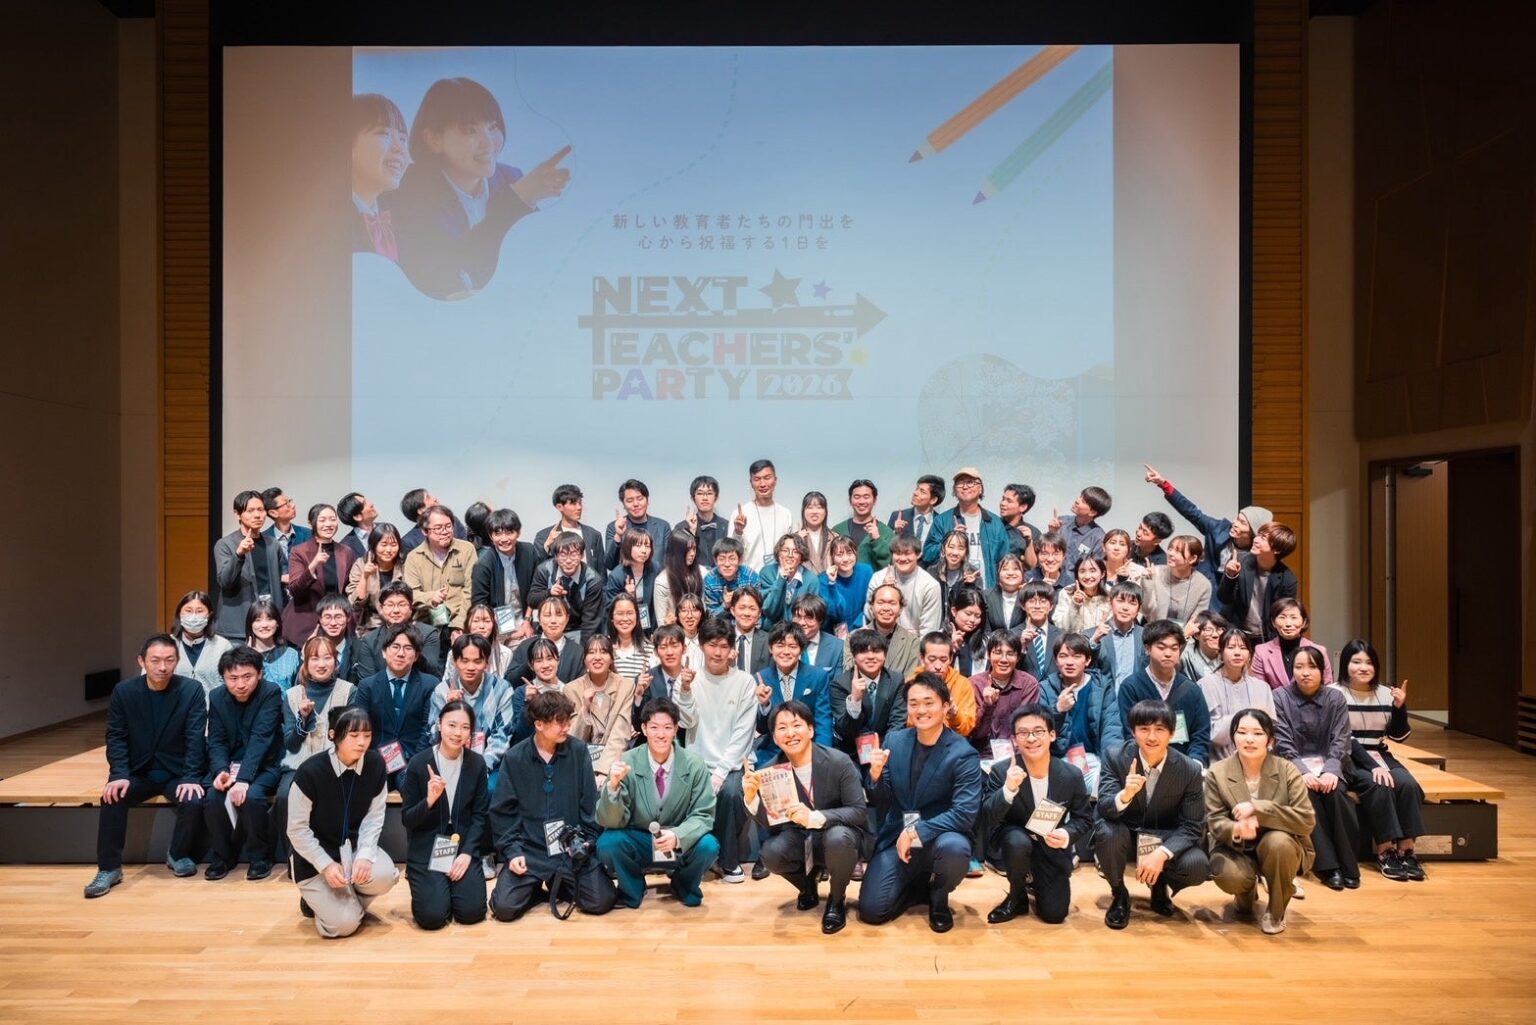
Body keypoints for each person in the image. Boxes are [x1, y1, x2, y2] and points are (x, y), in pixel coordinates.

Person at [388, 76, 570, 299]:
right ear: (434, 139)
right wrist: (516, 201)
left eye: (492, 127)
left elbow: (534, 259)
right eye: (470, 130)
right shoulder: (410, 189)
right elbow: (448, 275)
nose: (489, 142)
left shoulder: (510, 177)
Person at [85, 635, 207, 898]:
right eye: (155, 660)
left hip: (176, 771)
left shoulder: (191, 690)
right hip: (138, 771)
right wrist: (118, 774)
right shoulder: (124, 691)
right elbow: (116, 736)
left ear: (177, 661)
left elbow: (195, 737)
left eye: (169, 660)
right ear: (142, 661)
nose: (163, 667)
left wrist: (191, 776)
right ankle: (109, 868)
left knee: (194, 799)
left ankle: (178, 854)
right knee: (112, 797)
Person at [857, 673, 981, 932]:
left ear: (945, 707)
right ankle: (917, 885)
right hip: (897, 836)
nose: (921, 710)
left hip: (940, 838)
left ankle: (938, 894)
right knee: (872, 911)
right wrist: (875, 777)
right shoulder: (895, 741)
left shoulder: (963, 753)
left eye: (928, 702)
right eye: (913, 704)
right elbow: (883, 800)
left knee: (955, 849)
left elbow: (964, 813)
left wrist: (916, 831)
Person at [488, 690, 618, 921]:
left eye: (568, 720)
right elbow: (503, 812)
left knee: (602, 900)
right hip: (531, 849)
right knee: (504, 908)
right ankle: (538, 889)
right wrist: (513, 852)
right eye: (560, 722)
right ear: (539, 724)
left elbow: (589, 805)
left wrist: (586, 842)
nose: (567, 727)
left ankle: (561, 884)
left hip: (570, 848)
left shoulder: (579, 751)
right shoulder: (515, 757)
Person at [745, 700, 869, 933]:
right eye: (782, 728)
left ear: (810, 730)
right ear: (774, 738)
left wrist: (815, 817)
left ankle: (836, 900)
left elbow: (858, 811)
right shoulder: (771, 771)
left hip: (838, 836)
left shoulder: (839, 761)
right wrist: (752, 798)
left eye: (796, 725)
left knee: (839, 838)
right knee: (770, 853)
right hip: (801, 839)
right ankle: (807, 885)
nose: (790, 733)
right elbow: (771, 825)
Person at [1094, 699, 1209, 929]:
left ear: (1172, 733)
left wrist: (1162, 854)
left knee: (1197, 865)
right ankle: (1119, 894)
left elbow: (1192, 825)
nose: (1152, 737)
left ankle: (1159, 884)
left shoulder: (1189, 769)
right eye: (1144, 729)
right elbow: (1104, 807)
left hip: (1164, 836)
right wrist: (1125, 795)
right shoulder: (1115, 757)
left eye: (1160, 729)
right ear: (1133, 732)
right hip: (1126, 834)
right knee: (1106, 832)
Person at [286, 706, 399, 938]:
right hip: (314, 859)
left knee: (386, 876)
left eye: (367, 735)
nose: (362, 742)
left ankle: (340, 903)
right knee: (343, 926)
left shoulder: (376, 764)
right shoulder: (310, 772)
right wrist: (325, 865)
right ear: (333, 735)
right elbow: (297, 830)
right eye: (354, 735)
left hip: (352, 849)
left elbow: (374, 816)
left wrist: (365, 855)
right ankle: (322, 903)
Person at [596, 697, 720, 908]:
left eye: (667, 727)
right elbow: (611, 821)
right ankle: (632, 888)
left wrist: (678, 836)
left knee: (709, 846)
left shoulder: (695, 764)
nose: (661, 734)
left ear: (676, 729)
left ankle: (683, 884)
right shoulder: (626, 761)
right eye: (654, 727)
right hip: (641, 840)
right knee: (608, 843)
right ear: (644, 729)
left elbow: (703, 814)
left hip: (678, 840)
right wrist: (613, 787)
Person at [1206, 708, 1315, 935]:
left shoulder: (1287, 770)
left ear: (1270, 740)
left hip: (1281, 847)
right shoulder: (1218, 772)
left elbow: (1306, 820)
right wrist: (1236, 829)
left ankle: (1276, 910)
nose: (1249, 739)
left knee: (1278, 843)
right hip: (1235, 847)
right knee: (1229, 875)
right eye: (1242, 732)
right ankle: (1245, 892)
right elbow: (1214, 821)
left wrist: (1259, 809)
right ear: (1233, 737)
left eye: (1257, 733)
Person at [984, 704, 1092, 925]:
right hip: (1015, 840)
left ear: (1052, 735)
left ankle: (1035, 880)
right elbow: (987, 816)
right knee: (1017, 842)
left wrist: (1066, 834)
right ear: (1014, 740)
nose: (1031, 738)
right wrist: (1008, 789)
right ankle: (1016, 896)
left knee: (1055, 915)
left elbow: (1084, 819)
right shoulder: (1002, 771)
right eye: (1023, 733)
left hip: (1050, 845)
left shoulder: (1071, 775)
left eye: (1038, 731)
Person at [1337, 639, 1427, 882]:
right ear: (1345, 664)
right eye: (1356, 662)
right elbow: (1343, 739)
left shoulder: (1386, 693)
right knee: (1379, 785)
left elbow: (1399, 736)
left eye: (1369, 663)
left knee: (1408, 784)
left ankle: (1406, 849)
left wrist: (1399, 707)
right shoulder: (1335, 693)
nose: (1363, 667)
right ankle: (1385, 850)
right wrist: (1374, 766)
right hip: (1348, 755)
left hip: (1379, 752)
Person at [1272, 645, 1360, 890]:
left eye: (1312, 667)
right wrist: (1302, 771)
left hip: (1332, 766)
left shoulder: (1335, 698)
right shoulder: (1279, 697)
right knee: (1306, 794)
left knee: (1336, 794)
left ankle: (1349, 864)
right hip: (1294, 767)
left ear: (1323, 671)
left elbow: (1341, 739)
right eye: (1299, 667)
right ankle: (1328, 867)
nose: (1305, 672)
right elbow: (1282, 741)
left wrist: (1331, 770)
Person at [399, 699, 491, 930]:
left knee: (472, 913)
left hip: (462, 844)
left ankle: (449, 886)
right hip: (428, 846)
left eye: (465, 727)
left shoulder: (477, 763)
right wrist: (429, 800)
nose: (458, 733)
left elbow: (480, 815)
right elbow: (407, 819)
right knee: (432, 917)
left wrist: (467, 853)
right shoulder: (419, 763)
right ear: (439, 725)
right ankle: (429, 884)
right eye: (451, 725)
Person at [679, 615, 758, 883]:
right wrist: (685, 690)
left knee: (731, 793)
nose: (718, 652)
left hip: (733, 763)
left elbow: (742, 735)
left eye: (724, 646)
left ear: (732, 650)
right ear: (702, 646)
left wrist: (720, 773)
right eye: (712, 645)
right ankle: (692, 859)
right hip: (696, 762)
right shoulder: (690, 679)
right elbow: (684, 722)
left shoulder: (745, 682)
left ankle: (728, 861)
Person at [202, 645, 284, 881]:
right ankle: (222, 856)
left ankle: (260, 856)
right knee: (212, 797)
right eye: (233, 678)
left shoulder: (270, 692)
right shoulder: (216, 696)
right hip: (230, 764)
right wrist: (221, 770)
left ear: (260, 674)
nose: (240, 684)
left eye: (247, 677)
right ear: (224, 678)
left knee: (253, 796)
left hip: (264, 764)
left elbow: (261, 738)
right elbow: (216, 740)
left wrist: (244, 779)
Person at [275, 636, 355, 864]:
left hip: (335, 764)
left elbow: (349, 738)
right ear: (306, 663)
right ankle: (294, 858)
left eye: (327, 658)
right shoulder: (292, 695)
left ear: (336, 662)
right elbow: (291, 744)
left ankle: (333, 857)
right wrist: (303, 718)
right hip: (298, 765)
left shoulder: (348, 691)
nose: (321, 664)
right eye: (314, 658)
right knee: (285, 796)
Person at [1143, 463, 1271, 586]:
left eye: (1242, 523)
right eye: (1237, 519)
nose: (1235, 524)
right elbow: (1191, 511)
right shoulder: (1219, 529)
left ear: (1252, 532)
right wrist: (1163, 484)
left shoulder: (1257, 552)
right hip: (1204, 585)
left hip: (1234, 594)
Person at [430, 633, 525, 788]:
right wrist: (448, 710)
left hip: (490, 764)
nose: (471, 667)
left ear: (486, 663)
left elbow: (502, 735)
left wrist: (481, 767)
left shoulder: (502, 689)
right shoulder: (442, 690)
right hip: (450, 761)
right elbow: (433, 736)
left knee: (489, 788)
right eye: (464, 661)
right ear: (455, 662)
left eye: (477, 661)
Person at [351, 623, 440, 787]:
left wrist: (415, 763)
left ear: (416, 655)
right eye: (395, 647)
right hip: (377, 760)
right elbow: (360, 729)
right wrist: (373, 760)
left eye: (408, 648)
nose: (400, 653)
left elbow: (427, 729)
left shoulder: (430, 685)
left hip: (415, 759)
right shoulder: (367, 686)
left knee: (412, 786)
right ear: (384, 652)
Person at [1115, 619, 1211, 764]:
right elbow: (1130, 734)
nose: (1168, 653)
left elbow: (1200, 735)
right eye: (1161, 647)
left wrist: (1194, 763)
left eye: (1174, 648)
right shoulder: (1131, 687)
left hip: (1184, 765)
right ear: (1147, 649)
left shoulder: (1192, 690)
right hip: (1144, 764)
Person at [1038, 633, 1120, 793]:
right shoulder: (1045, 689)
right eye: (1063, 656)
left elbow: (1112, 730)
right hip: (1057, 760)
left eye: (1076, 656)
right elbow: (1039, 734)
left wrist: (1109, 767)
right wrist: (1058, 710)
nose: (1069, 662)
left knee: (1107, 788)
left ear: (1087, 660)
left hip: (1093, 759)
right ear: (1056, 660)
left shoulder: (1102, 687)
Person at [749, 623, 834, 767]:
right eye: (780, 645)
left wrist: (822, 757)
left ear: (801, 649)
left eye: (792, 646)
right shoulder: (760, 679)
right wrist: (764, 705)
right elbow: (762, 729)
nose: (786, 652)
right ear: (770, 648)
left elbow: (823, 721)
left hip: (808, 749)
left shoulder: (818, 676)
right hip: (773, 752)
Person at [563, 633, 639, 786]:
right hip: (581, 761)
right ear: (584, 659)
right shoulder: (571, 689)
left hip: (614, 761)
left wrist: (604, 770)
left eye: (603, 652)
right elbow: (573, 737)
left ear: (611, 658)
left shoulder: (626, 686)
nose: (597, 657)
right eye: (591, 652)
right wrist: (585, 708)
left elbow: (620, 731)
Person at [213, 490, 287, 641]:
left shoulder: (272, 544)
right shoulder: (225, 544)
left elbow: (284, 577)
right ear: (237, 514)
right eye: (250, 510)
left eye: (261, 510)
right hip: (238, 629)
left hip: (269, 624)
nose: (257, 515)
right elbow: (225, 582)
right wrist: (239, 554)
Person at [829, 628, 908, 763]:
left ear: (885, 654)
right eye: (863, 651)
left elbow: (898, 722)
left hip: (886, 749)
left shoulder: (896, 680)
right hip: (851, 754)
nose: (871, 656)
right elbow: (845, 731)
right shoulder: (839, 684)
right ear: (854, 655)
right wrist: (855, 700)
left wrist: (881, 752)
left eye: (876, 651)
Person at [283, 504, 357, 646]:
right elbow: (295, 590)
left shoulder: (345, 551)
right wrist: (313, 565)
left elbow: (348, 589)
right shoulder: (299, 551)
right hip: (305, 623)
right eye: (322, 520)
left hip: (336, 624)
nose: (328, 524)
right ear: (312, 523)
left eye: (332, 519)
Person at [922, 468, 1009, 587]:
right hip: (951, 590)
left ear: (980, 488)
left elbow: (1005, 560)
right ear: (954, 490)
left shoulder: (994, 523)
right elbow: (927, 555)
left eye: (970, 482)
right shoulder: (942, 520)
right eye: (960, 483)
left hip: (987, 590)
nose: (965, 486)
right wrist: (948, 540)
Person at [1199, 627, 1276, 762]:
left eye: (1243, 648)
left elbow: (1270, 729)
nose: (1237, 653)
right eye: (1231, 647)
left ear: (1250, 654)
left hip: (1257, 761)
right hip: (1218, 762)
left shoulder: (1262, 687)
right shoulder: (1205, 685)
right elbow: (1209, 732)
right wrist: (1247, 717)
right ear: (1220, 653)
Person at [403, 504, 479, 635]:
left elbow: (471, 590)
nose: (445, 532)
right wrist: (430, 597)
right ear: (425, 531)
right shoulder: (414, 557)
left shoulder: (467, 550)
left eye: (448, 526)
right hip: (427, 624)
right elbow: (410, 594)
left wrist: (459, 625)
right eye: (438, 528)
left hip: (461, 621)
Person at [1217, 522, 1300, 640]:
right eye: (1258, 535)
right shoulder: (1240, 561)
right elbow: (1224, 598)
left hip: (1266, 637)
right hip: (1236, 633)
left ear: (1276, 549)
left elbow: (1284, 615)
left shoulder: (1287, 580)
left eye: (1263, 538)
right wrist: (1230, 575)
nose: (1255, 539)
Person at [350, 94, 407, 259]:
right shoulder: (327, 217)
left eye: (403, 139)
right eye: (384, 134)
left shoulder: (402, 218)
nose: (400, 149)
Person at [352, 581, 443, 681]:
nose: (396, 610)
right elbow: (367, 681)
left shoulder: (428, 633)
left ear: (411, 608)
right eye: (390, 605)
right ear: (381, 608)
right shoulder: (370, 640)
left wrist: (411, 643)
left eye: (401, 605)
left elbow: (432, 674)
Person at [471, 508, 539, 642]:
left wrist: (527, 621)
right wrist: (507, 634)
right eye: (497, 534)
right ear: (491, 536)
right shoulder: (483, 565)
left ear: (518, 532)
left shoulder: (529, 552)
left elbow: (536, 588)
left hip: (528, 621)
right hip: (496, 628)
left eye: (509, 533)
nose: (504, 539)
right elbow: (480, 605)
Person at [969, 630, 1041, 749]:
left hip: (1018, 751)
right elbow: (976, 734)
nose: (1003, 659)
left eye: (1010, 654)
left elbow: (1027, 726)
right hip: (981, 753)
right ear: (988, 655)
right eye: (998, 653)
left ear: (1018, 657)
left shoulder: (1029, 684)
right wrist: (988, 706)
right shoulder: (974, 684)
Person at [527, 531, 605, 641]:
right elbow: (532, 600)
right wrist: (549, 593)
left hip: (577, 630)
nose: (568, 561)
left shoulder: (592, 580)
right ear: (556, 556)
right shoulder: (544, 570)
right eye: (563, 555)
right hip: (548, 628)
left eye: (573, 554)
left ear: (582, 555)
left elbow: (590, 624)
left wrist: (581, 649)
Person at [866, 536, 942, 635]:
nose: (902, 558)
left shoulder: (930, 586)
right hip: (880, 639)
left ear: (918, 554)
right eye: (897, 553)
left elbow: (929, 630)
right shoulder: (878, 578)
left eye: (907, 553)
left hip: (915, 641)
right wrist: (882, 591)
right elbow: (868, 615)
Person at [1253, 597, 1335, 688]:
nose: (1288, 623)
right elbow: (1260, 690)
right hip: (1273, 698)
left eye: (1294, 617)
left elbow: (1327, 687)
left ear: (1304, 622)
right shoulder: (1261, 652)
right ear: (1273, 622)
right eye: (1282, 617)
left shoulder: (1319, 650)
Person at [730, 459, 796, 571]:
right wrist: (738, 532)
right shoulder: (739, 514)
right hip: (749, 578)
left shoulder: (785, 514)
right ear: (751, 483)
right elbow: (731, 552)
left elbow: (791, 551)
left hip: (779, 577)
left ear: (775, 480)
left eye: (767, 478)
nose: (762, 484)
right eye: (757, 479)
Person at [508, 597, 585, 686]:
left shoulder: (578, 651)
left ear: (567, 618)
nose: (553, 621)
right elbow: (509, 680)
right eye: (547, 615)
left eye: (559, 615)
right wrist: (530, 662)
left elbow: (581, 686)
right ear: (539, 619)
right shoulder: (526, 646)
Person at [851, 582, 921, 679]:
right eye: (880, 603)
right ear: (871, 607)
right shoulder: (853, 637)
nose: (886, 608)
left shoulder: (912, 641)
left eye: (892, 603)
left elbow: (910, 679)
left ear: (900, 609)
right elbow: (850, 674)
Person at [171, 590, 235, 694]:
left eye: (199, 611)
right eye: (188, 611)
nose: (193, 616)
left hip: (212, 704)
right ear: (179, 613)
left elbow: (233, 681)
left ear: (209, 615)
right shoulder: (167, 644)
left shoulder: (223, 646)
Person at [346, 522, 404, 633]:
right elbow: (355, 604)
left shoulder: (404, 564)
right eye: (384, 544)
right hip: (370, 626)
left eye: (393, 544)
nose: (389, 550)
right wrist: (365, 576)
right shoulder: (361, 564)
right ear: (374, 545)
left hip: (402, 624)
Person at [532, 484, 606, 570]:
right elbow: (536, 569)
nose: (579, 507)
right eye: (573, 504)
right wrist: (546, 547)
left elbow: (601, 571)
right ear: (559, 507)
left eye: (580, 503)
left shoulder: (594, 535)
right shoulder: (544, 536)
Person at [441, 603, 517, 686]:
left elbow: (507, 685)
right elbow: (446, 683)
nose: (481, 626)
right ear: (468, 623)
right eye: (476, 621)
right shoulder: (455, 652)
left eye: (487, 621)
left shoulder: (505, 653)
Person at [1144, 535, 1212, 626]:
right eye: (1170, 548)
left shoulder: (1203, 585)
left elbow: (1196, 621)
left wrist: (1182, 634)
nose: (1171, 553)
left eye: (1177, 551)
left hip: (1183, 633)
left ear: (1192, 559)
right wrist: (1150, 582)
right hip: (1150, 629)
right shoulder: (1155, 572)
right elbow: (1146, 610)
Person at [604, 478, 670, 572]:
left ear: (647, 500)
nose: (635, 504)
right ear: (623, 505)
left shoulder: (663, 527)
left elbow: (670, 561)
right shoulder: (613, 527)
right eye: (630, 500)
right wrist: (618, 536)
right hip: (626, 580)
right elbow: (610, 565)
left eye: (640, 499)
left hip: (656, 580)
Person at [759, 533, 825, 626]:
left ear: (801, 556)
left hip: (800, 631)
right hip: (771, 630)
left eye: (796, 551)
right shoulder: (767, 573)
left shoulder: (811, 580)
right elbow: (770, 612)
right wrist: (781, 579)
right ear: (778, 553)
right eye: (785, 550)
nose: (790, 555)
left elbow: (812, 615)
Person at [1047, 485, 1112, 574]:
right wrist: (1052, 533)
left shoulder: (1099, 538)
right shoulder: (1062, 522)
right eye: (1080, 496)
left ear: (1092, 512)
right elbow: (1046, 552)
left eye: (1083, 501)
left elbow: (1095, 569)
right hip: (1051, 574)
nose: (1077, 501)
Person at [1093, 582, 1145, 692]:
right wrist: (1094, 642)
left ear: (1139, 608)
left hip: (1135, 699)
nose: (1125, 608)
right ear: (1110, 603)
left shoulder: (1145, 636)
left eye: (1132, 603)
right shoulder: (1093, 636)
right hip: (1104, 699)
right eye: (1120, 601)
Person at [830, 479, 892, 569]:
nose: (861, 501)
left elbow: (891, 565)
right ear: (850, 500)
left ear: (874, 500)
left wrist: (877, 540)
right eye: (857, 497)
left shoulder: (886, 532)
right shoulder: (837, 530)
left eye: (866, 497)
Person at [603, 531, 658, 630]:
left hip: (651, 627)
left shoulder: (655, 568)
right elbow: (610, 609)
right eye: (638, 546)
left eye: (647, 546)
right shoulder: (617, 575)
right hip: (625, 628)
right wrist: (627, 596)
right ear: (628, 547)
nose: (644, 550)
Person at [822, 534, 873, 634]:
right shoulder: (823, 580)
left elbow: (870, 603)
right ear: (832, 557)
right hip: (833, 633)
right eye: (839, 555)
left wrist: (858, 627)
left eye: (849, 553)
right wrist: (832, 583)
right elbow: (836, 613)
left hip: (861, 628)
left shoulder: (866, 571)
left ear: (856, 553)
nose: (845, 559)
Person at [653, 526, 703, 627]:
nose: (692, 554)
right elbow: (662, 623)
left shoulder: (702, 572)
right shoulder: (662, 581)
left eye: (694, 549)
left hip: (700, 630)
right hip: (675, 632)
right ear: (676, 552)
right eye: (687, 550)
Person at [1050, 555, 1111, 637]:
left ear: (1102, 574)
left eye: (1092, 571)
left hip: (1103, 641)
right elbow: (1060, 626)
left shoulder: (1111, 595)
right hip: (1074, 642)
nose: (1087, 576)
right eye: (1082, 571)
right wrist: (1075, 605)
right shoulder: (1067, 593)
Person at [244, 598, 299, 689]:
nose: (264, 625)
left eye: (269, 619)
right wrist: (249, 657)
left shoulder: (291, 655)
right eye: (258, 620)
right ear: (250, 625)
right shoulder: (240, 657)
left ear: (277, 623)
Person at [887, 473, 945, 555]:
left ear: (933, 500)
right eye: (917, 489)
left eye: (922, 491)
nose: (915, 493)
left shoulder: (941, 522)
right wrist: (896, 533)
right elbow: (887, 549)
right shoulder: (897, 516)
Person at [702, 535, 760, 617]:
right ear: (715, 561)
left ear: (740, 560)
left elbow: (758, 610)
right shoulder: (710, 580)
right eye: (722, 559)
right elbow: (710, 615)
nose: (727, 564)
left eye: (732, 559)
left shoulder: (751, 577)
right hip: (720, 622)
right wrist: (725, 605)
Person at [1016, 582, 1063, 679]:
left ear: (1051, 606)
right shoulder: (1012, 635)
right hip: (1025, 688)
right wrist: (1021, 646)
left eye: (1043, 601)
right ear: (1023, 605)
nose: (1037, 606)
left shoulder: (1062, 635)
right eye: (1032, 601)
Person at [605, 592, 654, 684]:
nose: (625, 618)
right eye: (620, 613)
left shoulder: (649, 649)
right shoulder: (604, 649)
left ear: (637, 616)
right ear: (612, 618)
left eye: (630, 613)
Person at [262, 487, 314, 574]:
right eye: (286, 504)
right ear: (273, 513)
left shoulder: (308, 534)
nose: (292, 505)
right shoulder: (263, 541)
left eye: (289, 501)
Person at [791, 594, 844, 676]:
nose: (802, 623)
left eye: (809, 618)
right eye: (798, 617)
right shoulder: (781, 643)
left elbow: (838, 681)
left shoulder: (837, 647)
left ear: (820, 620)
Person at [682, 475, 729, 566]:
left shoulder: (727, 525)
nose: (705, 498)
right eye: (700, 493)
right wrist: (691, 532)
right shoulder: (682, 527)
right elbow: (679, 559)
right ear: (693, 498)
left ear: (716, 498)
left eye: (709, 493)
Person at [944, 584, 988, 678]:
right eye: (968, 614)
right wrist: (952, 649)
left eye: (977, 616)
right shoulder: (939, 638)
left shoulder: (984, 642)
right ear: (954, 611)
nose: (972, 620)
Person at [997, 482, 1042, 569]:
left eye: (1009, 501)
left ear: (1023, 507)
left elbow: (1032, 566)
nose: (1003, 503)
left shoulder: (1034, 533)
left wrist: (1029, 542)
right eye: (1003, 499)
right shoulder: (992, 526)